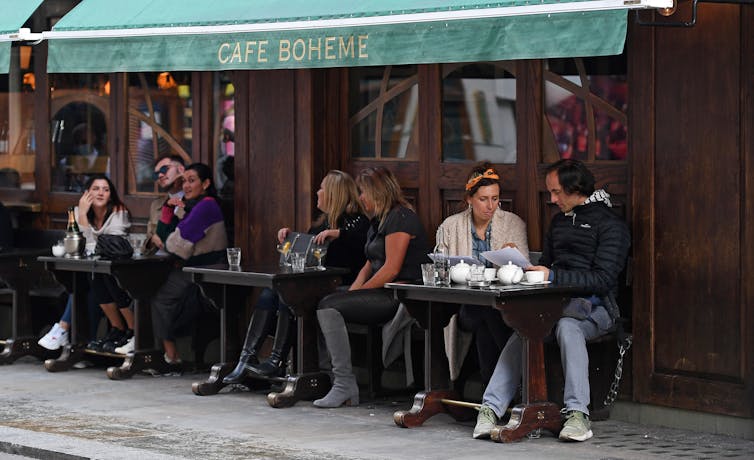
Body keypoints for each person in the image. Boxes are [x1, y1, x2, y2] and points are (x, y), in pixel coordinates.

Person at [473, 159, 630, 442]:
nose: (552, 199)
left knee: (568, 328)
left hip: (598, 308)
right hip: (555, 305)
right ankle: (490, 409)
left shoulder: (610, 225)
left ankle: (577, 415)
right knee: (526, 327)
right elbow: (546, 266)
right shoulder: (558, 222)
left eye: (557, 192)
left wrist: (553, 276)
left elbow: (604, 280)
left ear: (576, 188)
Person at [223, 170, 369, 383]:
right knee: (270, 292)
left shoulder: (357, 222)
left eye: (322, 188)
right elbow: (306, 256)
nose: (317, 192)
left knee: (288, 294)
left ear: (333, 194)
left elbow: (362, 245)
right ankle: (246, 358)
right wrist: (289, 237)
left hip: (339, 287)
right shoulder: (320, 223)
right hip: (312, 284)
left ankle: (276, 361)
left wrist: (340, 235)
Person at [313, 167, 430, 408]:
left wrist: (359, 293)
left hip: (398, 294)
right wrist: (353, 293)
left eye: (363, 192)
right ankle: (333, 377)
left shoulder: (401, 217)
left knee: (329, 307)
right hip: (378, 290)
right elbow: (369, 264)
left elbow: (391, 269)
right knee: (323, 300)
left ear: (377, 193)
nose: (361, 197)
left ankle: (344, 384)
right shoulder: (378, 219)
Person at [436, 162, 529, 384]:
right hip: (464, 306)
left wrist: (513, 256)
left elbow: (525, 269)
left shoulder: (513, 224)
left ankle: (487, 391)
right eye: (483, 199)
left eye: (495, 199)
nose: (490, 206)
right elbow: (440, 267)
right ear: (469, 199)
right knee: (486, 312)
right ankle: (516, 381)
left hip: (503, 305)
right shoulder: (450, 226)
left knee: (489, 318)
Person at [38, 175, 133, 353]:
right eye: (95, 189)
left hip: (119, 269)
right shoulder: (78, 211)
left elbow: (106, 246)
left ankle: (63, 330)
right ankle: (108, 332)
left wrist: (83, 220)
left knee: (91, 284)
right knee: (83, 284)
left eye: (105, 189)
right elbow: (78, 246)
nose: (100, 193)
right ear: (86, 193)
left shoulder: (119, 212)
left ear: (111, 195)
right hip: (93, 270)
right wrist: (82, 214)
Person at [151, 162, 228, 366]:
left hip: (207, 272)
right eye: (183, 181)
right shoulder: (195, 206)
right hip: (194, 268)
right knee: (146, 288)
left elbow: (172, 245)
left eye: (191, 181)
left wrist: (167, 222)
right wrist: (169, 211)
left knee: (158, 296)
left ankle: (172, 356)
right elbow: (170, 236)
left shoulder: (206, 207)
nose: (186, 186)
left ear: (206, 183)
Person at [109, 154, 186, 356]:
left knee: (150, 292)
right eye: (156, 173)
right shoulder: (157, 205)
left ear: (181, 170)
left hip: (181, 263)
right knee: (121, 283)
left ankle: (167, 354)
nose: (159, 175)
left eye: (164, 169)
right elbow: (149, 240)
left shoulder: (193, 201)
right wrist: (152, 240)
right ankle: (142, 344)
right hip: (156, 262)